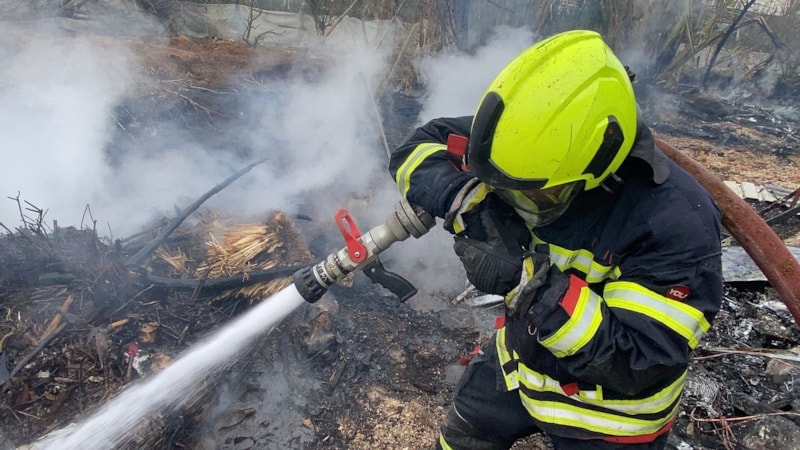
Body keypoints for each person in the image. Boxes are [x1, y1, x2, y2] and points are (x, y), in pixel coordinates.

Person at [388, 30, 723, 449]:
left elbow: (637, 360)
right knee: (460, 439)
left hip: (609, 415)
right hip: (518, 366)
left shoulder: (675, 222)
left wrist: (529, 287)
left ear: (599, 162)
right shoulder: (527, 142)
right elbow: (417, 148)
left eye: (534, 195)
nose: (516, 206)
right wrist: (468, 203)